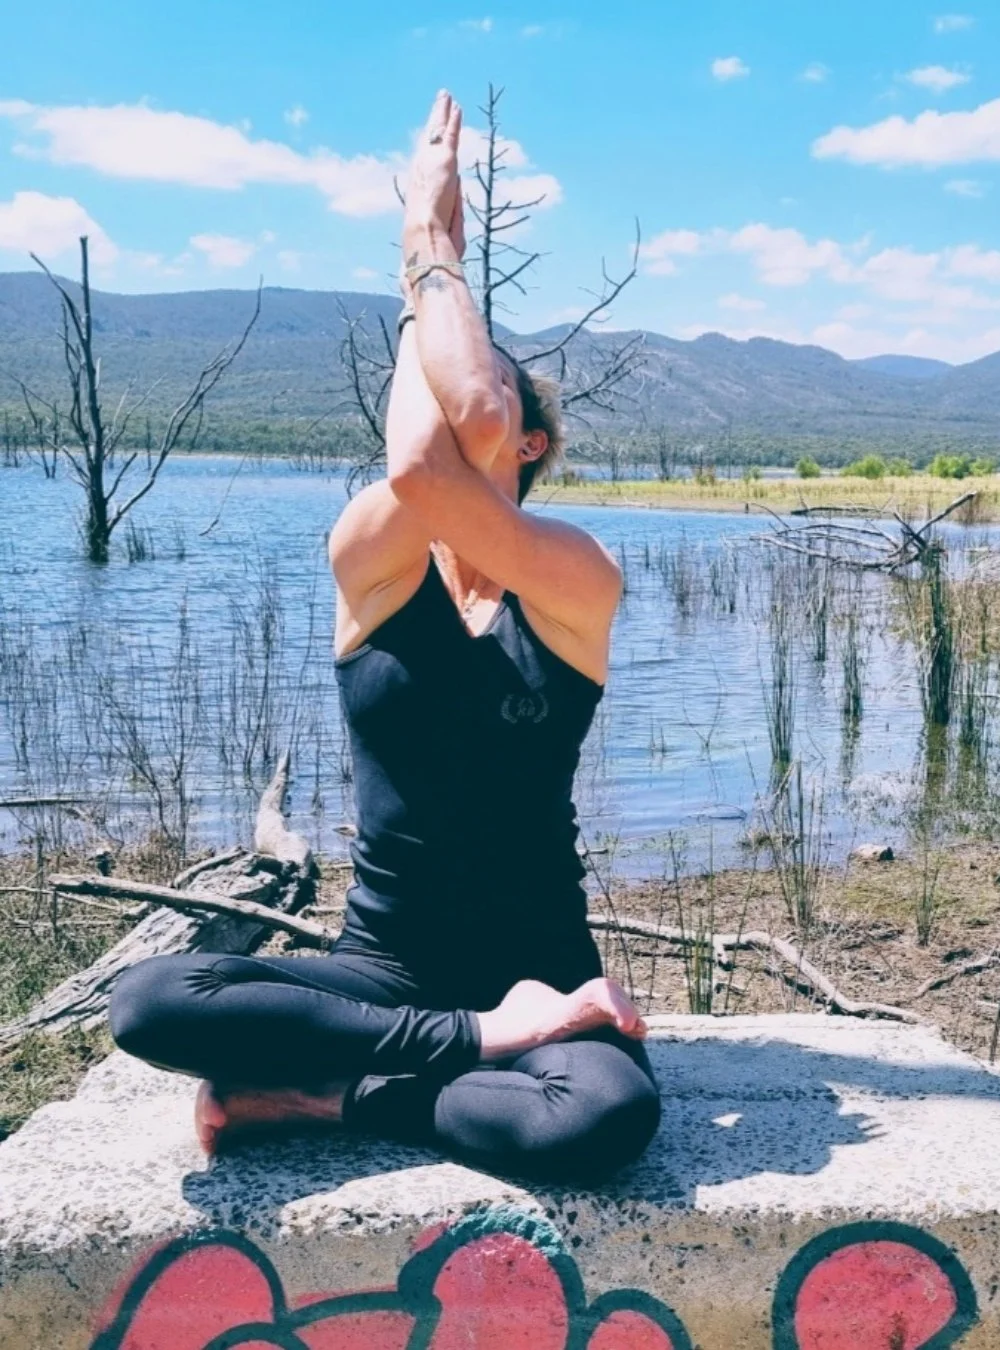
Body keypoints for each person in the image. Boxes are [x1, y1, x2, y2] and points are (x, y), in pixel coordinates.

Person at [109, 90, 660, 1184]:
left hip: (540, 963)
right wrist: (497, 1036)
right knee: (152, 999)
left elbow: (449, 440)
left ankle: (333, 1094)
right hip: (388, 969)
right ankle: (475, 1051)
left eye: (491, 407)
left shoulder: (574, 579)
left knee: (596, 1122)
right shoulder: (372, 559)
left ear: (532, 436)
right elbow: (420, 465)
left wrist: (428, 249)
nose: (461, 418)